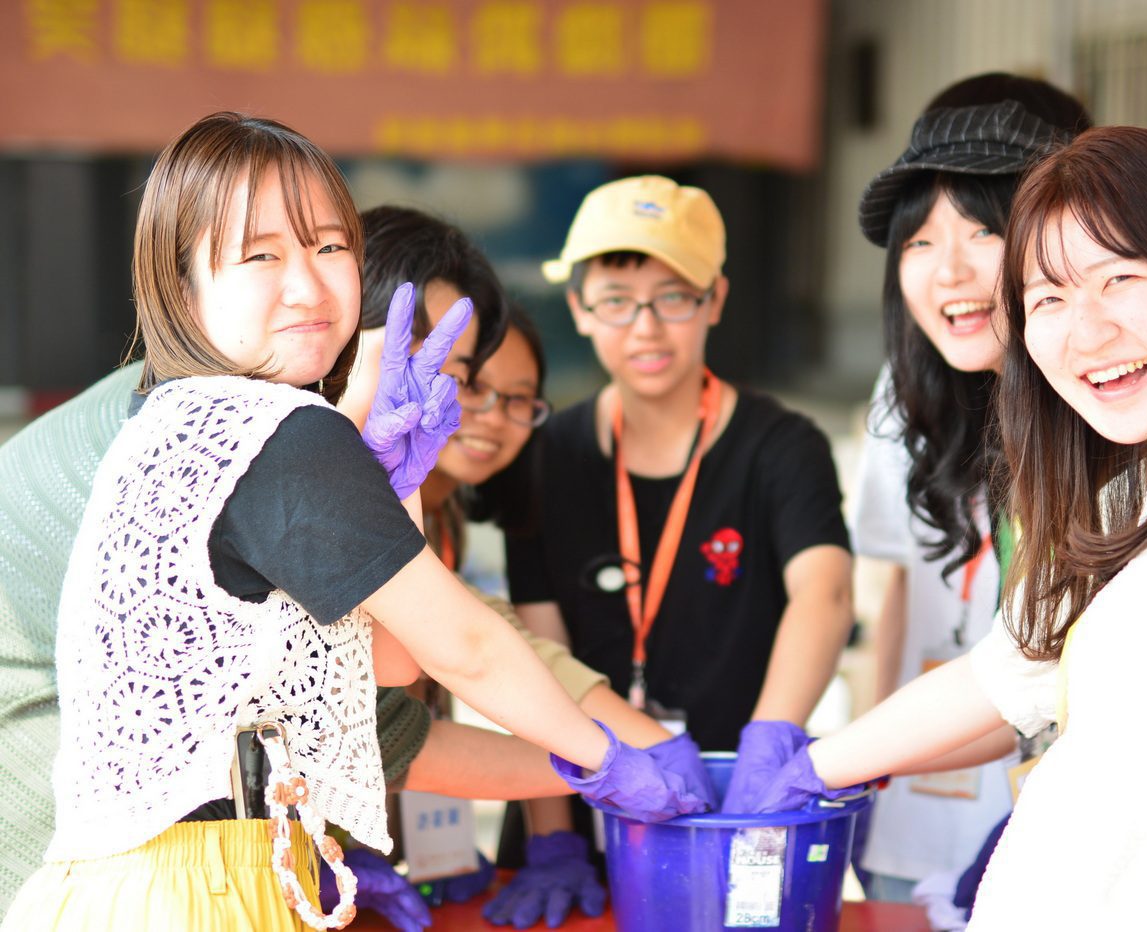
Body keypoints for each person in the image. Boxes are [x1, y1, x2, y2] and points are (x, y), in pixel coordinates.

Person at [1, 112, 706, 931]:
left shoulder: (178, 413)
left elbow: (391, 664)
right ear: (181, 284)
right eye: (260, 255)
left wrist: (392, 485)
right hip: (189, 885)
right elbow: (467, 648)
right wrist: (605, 761)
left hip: (140, 885)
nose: (307, 285)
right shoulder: (279, 431)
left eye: (330, 247)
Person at [752, 126, 1147, 931]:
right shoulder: (1130, 492)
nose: (1085, 331)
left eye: (1118, 279)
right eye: (1047, 298)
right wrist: (804, 770)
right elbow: (1005, 674)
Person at [336, 206, 685, 928]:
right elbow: (459, 655)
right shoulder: (314, 458)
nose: (484, 414)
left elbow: (489, 653)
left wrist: (638, 766)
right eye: (466, 383)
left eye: (519, 401)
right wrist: (614, 762)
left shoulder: (431, 498)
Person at [501, 174, 853, 890]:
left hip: (735, 804)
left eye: (673, 298)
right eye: (617, 303)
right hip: (577, 794)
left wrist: (770, 743)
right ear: (579, 307)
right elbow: (535, 654)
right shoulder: (543, 457)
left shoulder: (782, 446)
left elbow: (825, 594)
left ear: (715, 299)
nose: (646, 329)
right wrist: (553, 842)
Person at [849, 73, 1090, 906]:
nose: (946, 268)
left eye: (981, 230)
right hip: (921, 780)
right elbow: (889, 596)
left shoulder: (1114, 405)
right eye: (917, 240)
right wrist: (859, 771)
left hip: (1070, 821)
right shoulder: (904, 397)